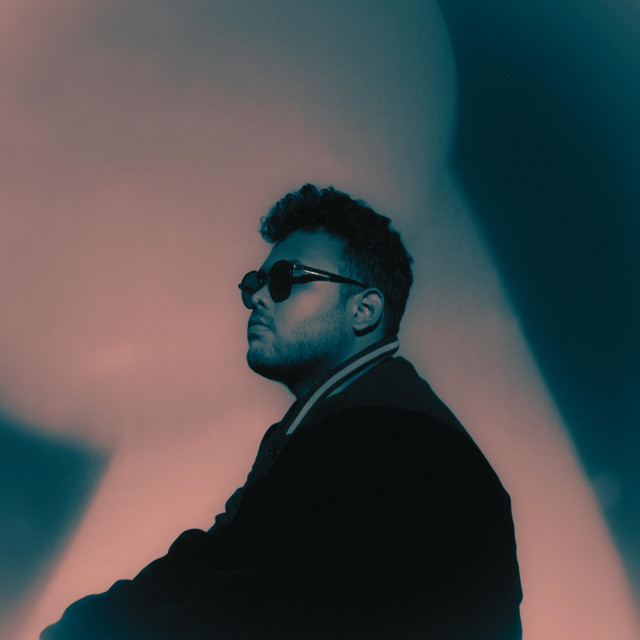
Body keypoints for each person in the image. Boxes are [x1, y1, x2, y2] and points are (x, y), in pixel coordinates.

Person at [41, 184, 522, 639]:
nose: (257, 296)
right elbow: (215, 556)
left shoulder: (390, 441)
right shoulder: (334, 425)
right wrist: (80, 624)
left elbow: (255, 613)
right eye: (256, 282)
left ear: (364, 311)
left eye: (286, 279)